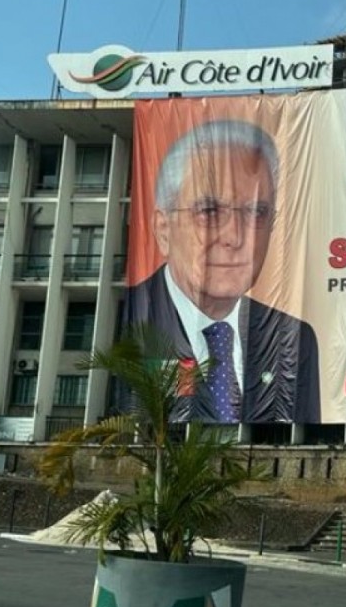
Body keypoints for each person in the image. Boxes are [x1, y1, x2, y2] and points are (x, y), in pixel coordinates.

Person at [124, 118, 320, 424]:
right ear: (163, 229)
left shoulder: (293, 338)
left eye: (256, 211)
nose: (235, 237)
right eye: (209, 211)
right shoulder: (128, 321)